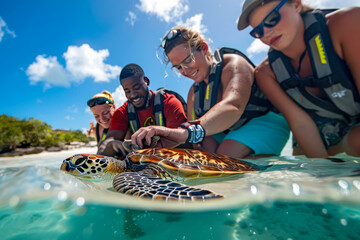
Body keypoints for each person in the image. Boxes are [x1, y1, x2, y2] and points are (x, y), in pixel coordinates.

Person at [131, 26, 290, 158]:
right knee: (205, 157)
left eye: (188, 60)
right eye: (178, 67)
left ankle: (273, 172)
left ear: (204, 48)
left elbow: (234, 105)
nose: (185, 70)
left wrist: (184, 132)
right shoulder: (193, 93)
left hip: (264, 120)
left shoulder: (233, 64)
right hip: (230, 129)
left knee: (225, 155)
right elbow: (195, 137)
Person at [237, 0, 360, 157]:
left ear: (296, 4)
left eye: (272, 18)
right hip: (327, 126)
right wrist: (322, 172)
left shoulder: (348, 22)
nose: (266, 33)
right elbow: (301, 124)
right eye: (258, 31)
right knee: (305, 163)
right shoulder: (265, 73)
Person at [97, 63, 188, 156]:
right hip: (140, 164)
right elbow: (105, 144)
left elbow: (181, 140)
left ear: (146, 81)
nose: (133, 95)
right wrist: (111, 145)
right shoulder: (122, 112)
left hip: (171, 162)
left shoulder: (169, 102)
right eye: (127, 91)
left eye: (137, 88)